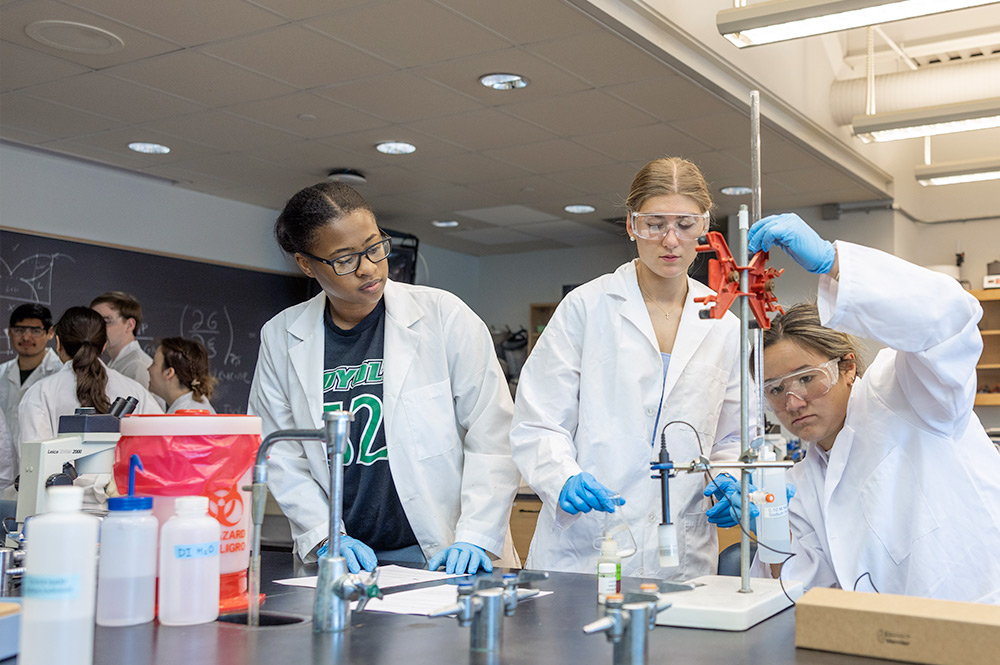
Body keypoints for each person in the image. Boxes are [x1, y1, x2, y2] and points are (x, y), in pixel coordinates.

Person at [713, 212, 1000, 602]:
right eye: (774, 390)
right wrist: (769, 528)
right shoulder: (801, 484)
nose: (793, 401)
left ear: (847, 366)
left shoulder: (905, 392)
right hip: (887, 637)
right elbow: (801, 589)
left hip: (979, 614)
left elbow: (950, 319)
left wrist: (834, 263)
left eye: (807, 377)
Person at [248, 182, 520, 575]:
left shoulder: (443, 316)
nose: (369, 268)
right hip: (346, 559)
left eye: (375, 247)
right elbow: (281, 452)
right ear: (306, 264)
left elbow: (492, 434)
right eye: (344, 260)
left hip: (443, 552)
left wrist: (476, 534)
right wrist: (323, 535)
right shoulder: (281, 335)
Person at [509, 157, 746, 580]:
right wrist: (562, 477)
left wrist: (729, 480)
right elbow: (539, 422)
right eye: (655, 224)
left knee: (678, 643)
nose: (671, 240)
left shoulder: (723, 324)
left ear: (705, 228)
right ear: (632, 225)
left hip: (682, 550)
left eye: (686, 224)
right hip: (586, 544)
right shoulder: (586, 307)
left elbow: (731, 436)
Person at [19, 307, 163, 446]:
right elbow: (160, 445)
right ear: (104, 345)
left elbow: (33, 460)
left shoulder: (40, 394)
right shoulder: (135, 392)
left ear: (58, 344)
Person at [0, 304, 63, 490]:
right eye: (19, 330)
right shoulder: (1, 373)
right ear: (9, 332)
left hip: (45, 475)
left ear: (50, 333)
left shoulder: (60, 375)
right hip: (4, 478)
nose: (26, 337)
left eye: (35, 330)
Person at [90, 291, 154, 390]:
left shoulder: (137, 365)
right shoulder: (115, 362)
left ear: (129, 325)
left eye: (106, 321)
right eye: (94, 322)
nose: (97, 329)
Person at [148, 337, 218, 414]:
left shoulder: (184, 415)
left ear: (169, 373)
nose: (148, 369)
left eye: (154, 363)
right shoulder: (195, 404)